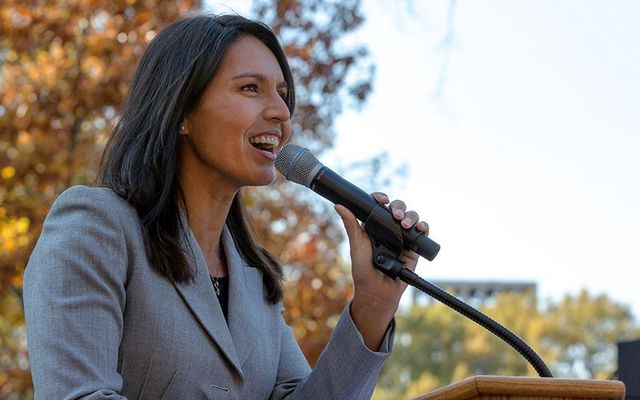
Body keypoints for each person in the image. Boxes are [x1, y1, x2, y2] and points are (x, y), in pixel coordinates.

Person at [23, 13, 430, 399]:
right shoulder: (95, 227)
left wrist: (373, 308)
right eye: (250, 88)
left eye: (283, 95)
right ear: (181, 111)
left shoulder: (255, 283)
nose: (281, 113)